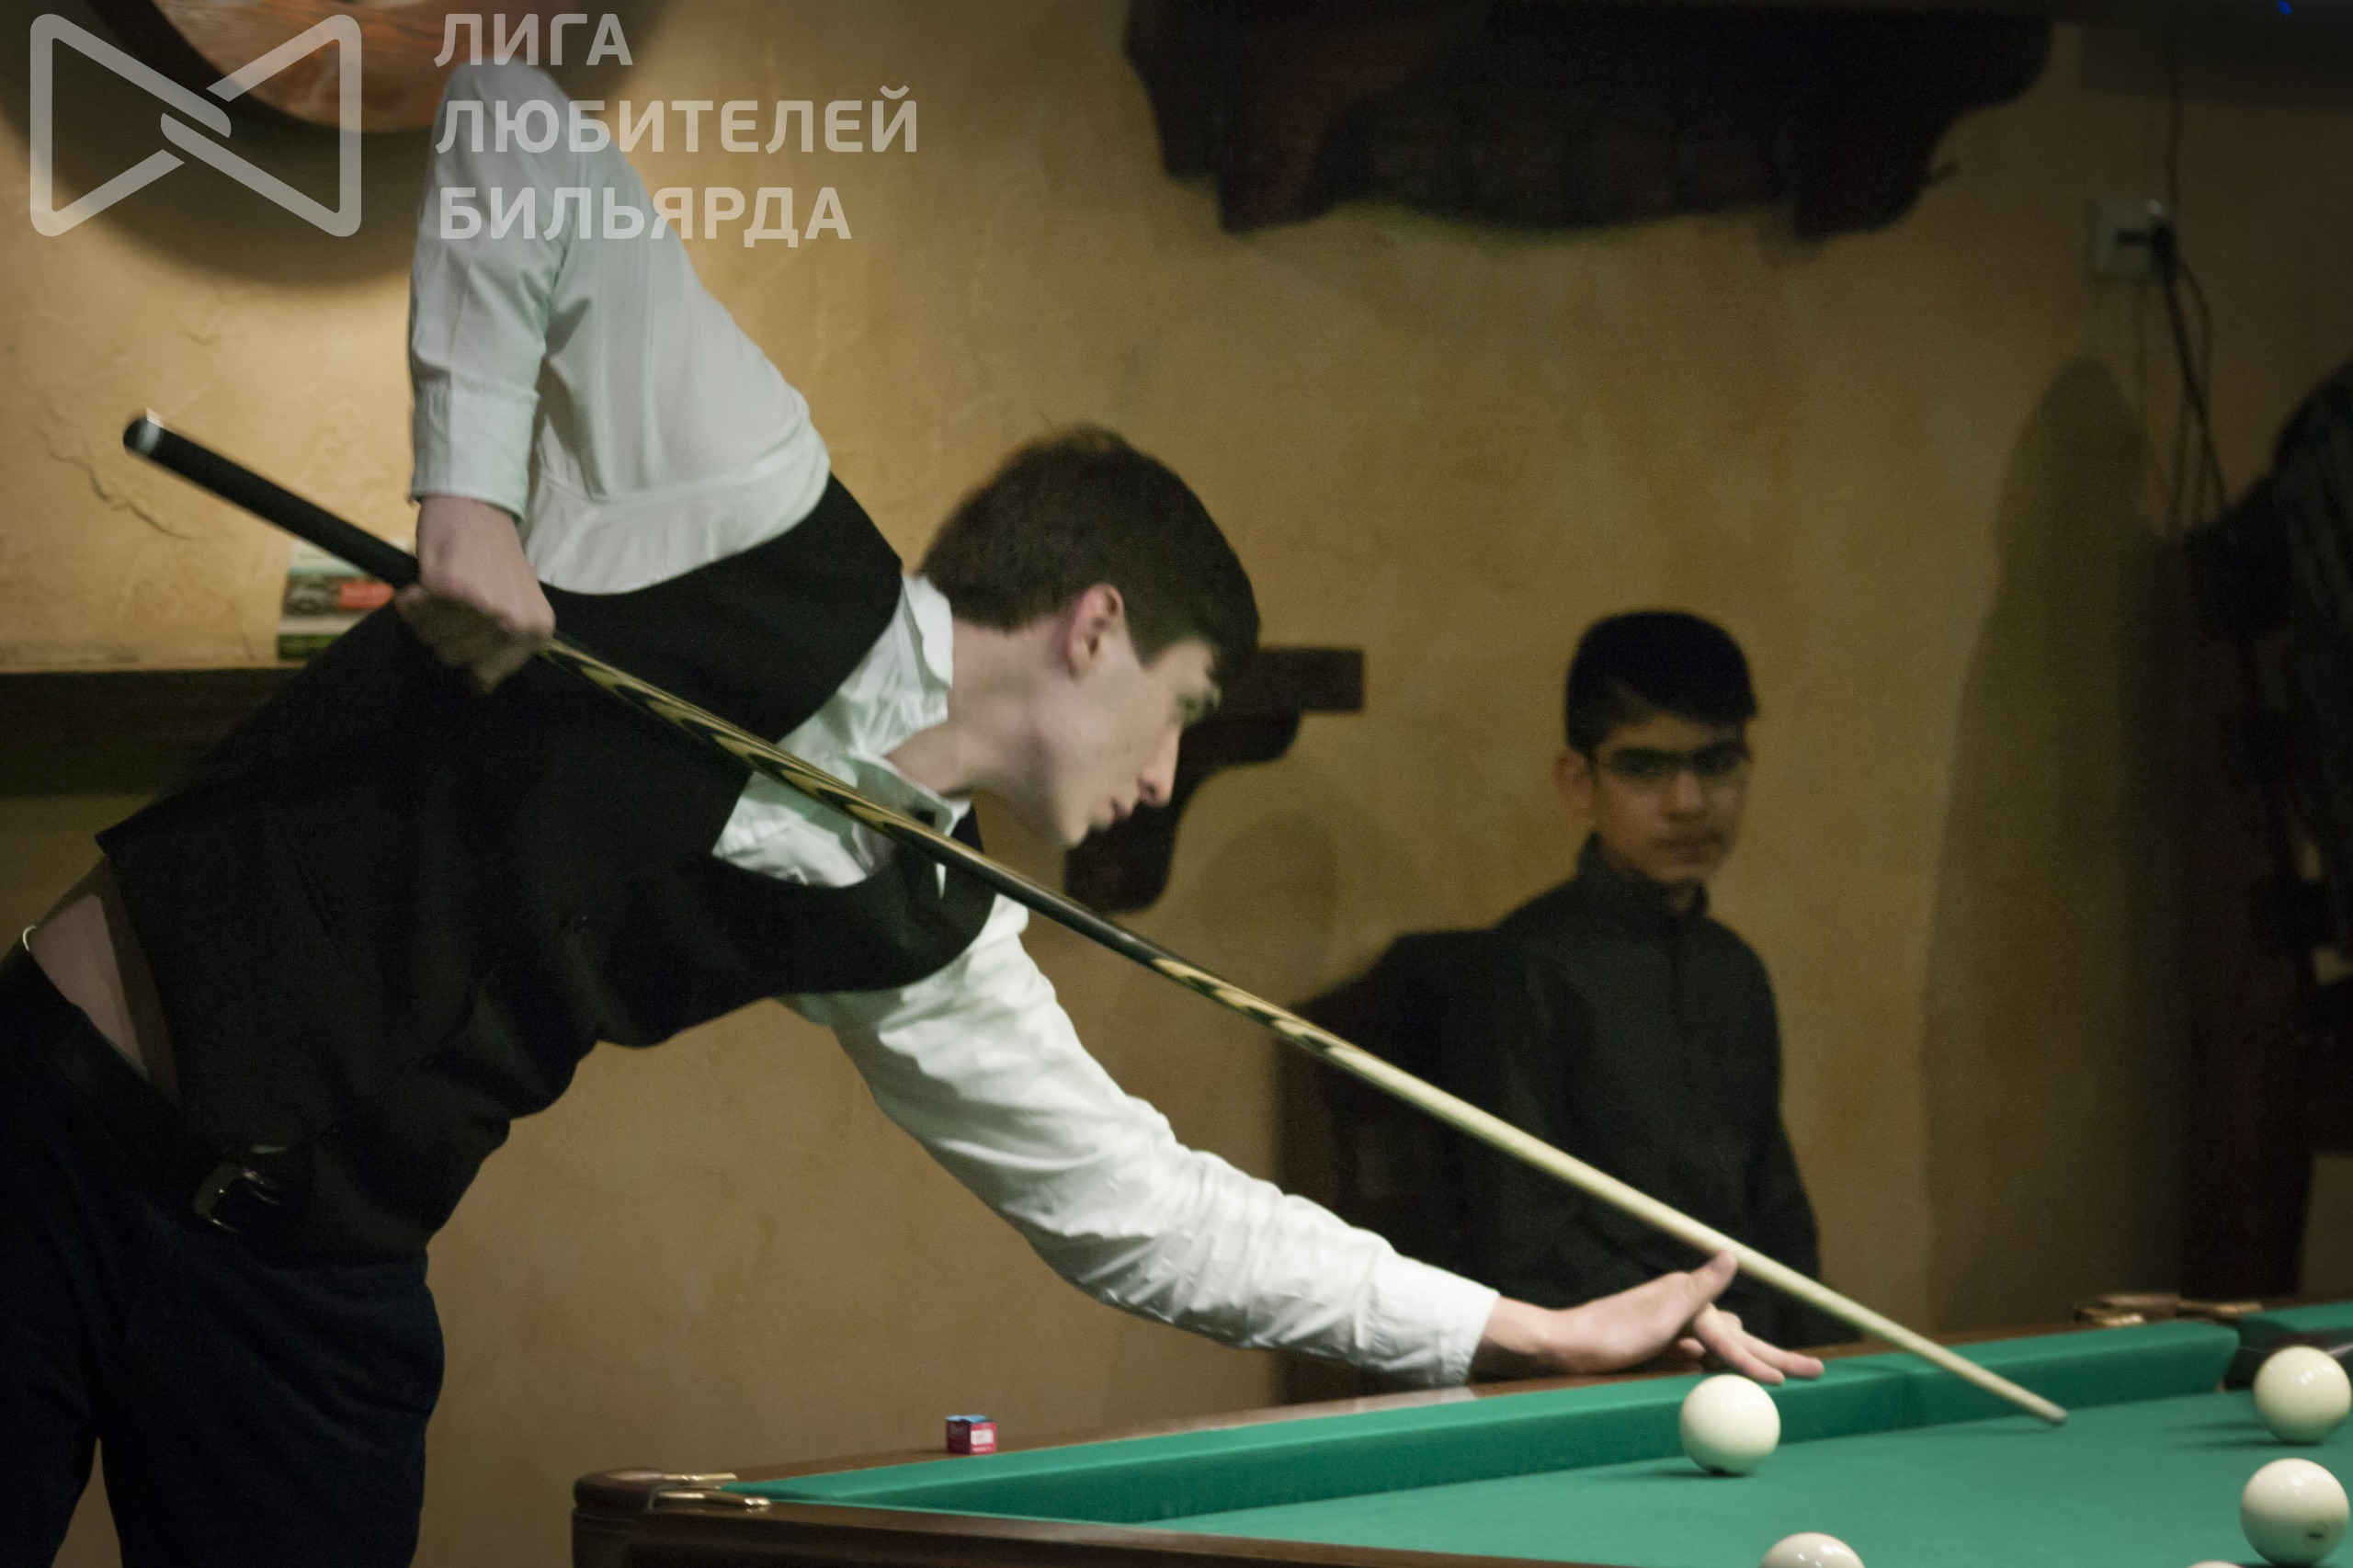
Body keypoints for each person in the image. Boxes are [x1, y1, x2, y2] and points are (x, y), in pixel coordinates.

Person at [0, 64, 1818, 1568]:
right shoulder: (744, 496)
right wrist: (466, 495)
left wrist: (1520, 1324)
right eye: (1182, 710)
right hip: (51, 1133)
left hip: (314, 1285)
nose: (1164, 774)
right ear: (1096, 628)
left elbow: (1144, 1208)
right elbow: (512, 125)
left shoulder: (923, 922)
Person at [1446, 611, 1849, 1351]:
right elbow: (1524, 1239)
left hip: (1753, 1355)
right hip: (1607, 1359)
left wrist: (1833, 1357)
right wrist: (1685, 1324)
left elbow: (1780, 1221)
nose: (1688, 801)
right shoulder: (1525, 964)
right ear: (1579, 780)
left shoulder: (1735, 969)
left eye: (1717, 762)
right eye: (1645, 767)